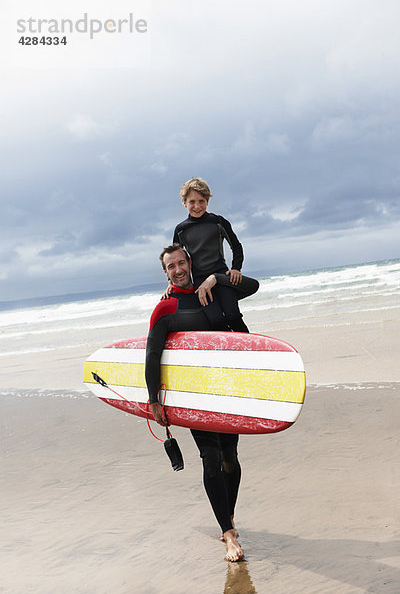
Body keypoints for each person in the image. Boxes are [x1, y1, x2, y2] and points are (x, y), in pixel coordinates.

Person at [145, 244, 244, 562]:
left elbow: (251, 286)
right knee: (211, 457)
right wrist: (154, 400)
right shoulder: (165, 308)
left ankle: (226, 518)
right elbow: (152, 354)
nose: (177, 269)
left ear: (190, 263)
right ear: (165, 272)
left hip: (224, 387)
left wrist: (216, 278)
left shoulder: (210, 293)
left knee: (230, 456)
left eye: (181, 263)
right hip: (191, 394)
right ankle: (229, 535)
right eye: (170, 266)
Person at [169, 177, 258, 332]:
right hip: (200, 282)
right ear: (184, 203)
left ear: (207, 201)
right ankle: (227, 353)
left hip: (222, 277)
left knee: (233, 316)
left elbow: (236, 246)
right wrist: (170, 282)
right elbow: (175, 259)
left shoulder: (218, 222)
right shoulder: (181, 229)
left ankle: (248, 350)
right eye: (192, 202)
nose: (197, 206)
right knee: (215, 320)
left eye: (201, 201)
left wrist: (236, 268)